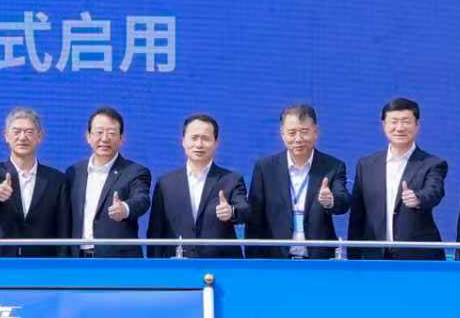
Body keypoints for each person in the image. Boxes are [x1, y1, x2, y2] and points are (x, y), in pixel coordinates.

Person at [347, 97, 448, 261]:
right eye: (394, 122)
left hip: (418, 256)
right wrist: (353, 258)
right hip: (375, 256)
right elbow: (358, 214)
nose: (400, 128)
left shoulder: (432, 164)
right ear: (384, 125)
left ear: (417, 125)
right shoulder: (366, 165)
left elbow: (435, 191)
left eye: (406, 121)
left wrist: (418, 198)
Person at [244, 104, 349, 260]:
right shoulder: (265, 168)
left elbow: (344, 202)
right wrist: (254, 259)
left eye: (304, 132)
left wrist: (330, 201)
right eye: (292, 133)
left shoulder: (332, 166)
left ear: (316, 132)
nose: (298, 139)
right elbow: (254, 217)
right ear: (282, 134)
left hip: (318, 259)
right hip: (275, 258)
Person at [147, 113, 249, 259]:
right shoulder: (165, 183)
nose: (199, 144)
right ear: (183, 141)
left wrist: (231, 211)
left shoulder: (231, 179)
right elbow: (156, 231)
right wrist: (156, 266)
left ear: (216, 143)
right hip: (178, 263)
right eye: (194, 138)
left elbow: (245, 210)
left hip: (220, 264)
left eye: (205, 138)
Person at [0, 107, 68, 258]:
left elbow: (63, 228)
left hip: (42, 261)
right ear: (6, 136)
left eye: (29, 132)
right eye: (16, 132)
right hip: (0, 260)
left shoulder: (56, 180)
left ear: (40, 137)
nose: (22, 137)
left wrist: (62, 261)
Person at [64, 106, 152, 257]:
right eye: (99, 132)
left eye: (111, 133)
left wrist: (125, 208)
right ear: (88, 136)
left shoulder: (135, 172)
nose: (104, 139)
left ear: (122, 138)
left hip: (116, 260)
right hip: (78, 258)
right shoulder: (74, 172)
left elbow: (142, 199)